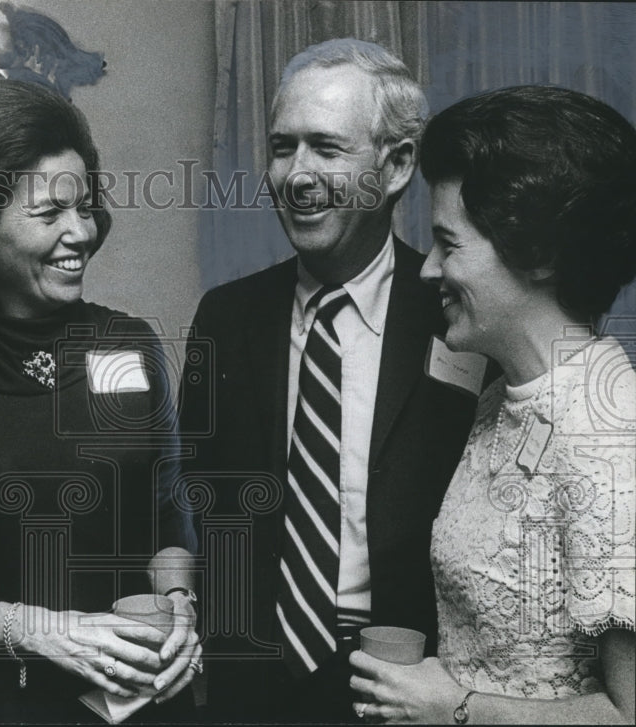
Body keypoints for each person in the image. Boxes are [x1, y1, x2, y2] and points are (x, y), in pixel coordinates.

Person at [0, 79, 200, 723]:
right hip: (2, 705)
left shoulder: (128, 343)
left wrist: (179, 607)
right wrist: (45, 631)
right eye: (49, 215)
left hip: (142, 700)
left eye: (84, 208)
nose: (81, 232)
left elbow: (165, 517)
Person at [179, 39, 482, 723]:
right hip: (250, 693)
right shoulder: (224, 319)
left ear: (398, 165)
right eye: (283, 147)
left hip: (405, 686)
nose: (296, 174)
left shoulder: (455, 316)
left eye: (326, 147)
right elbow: (206, 498)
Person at [350, 85, 636, 724]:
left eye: (449, 245)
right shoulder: (498, 399)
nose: (428, 270)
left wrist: (457, 707)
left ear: (536, 256)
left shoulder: (609, 432)